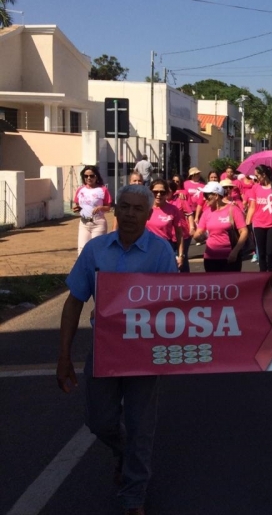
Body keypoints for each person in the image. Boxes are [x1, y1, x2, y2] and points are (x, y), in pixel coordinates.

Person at [57, 184, 178, 515]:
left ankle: (133, 495)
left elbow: (176, 304)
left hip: (145, 352)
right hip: (105, 350)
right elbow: (74, 301)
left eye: (138, 209)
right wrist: (64, 355)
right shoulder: (96, 250)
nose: (129, 214)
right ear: (114, 209)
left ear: (149, 215)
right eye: (124, 206)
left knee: (141, 426)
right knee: (100, 421)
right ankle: (122, 453)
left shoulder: (161, 252)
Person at [193, 181, 249, 272]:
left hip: (230, 257)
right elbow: (198, 233)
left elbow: (244, 232)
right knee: (213, 285)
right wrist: (198, 236)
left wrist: (235, 251)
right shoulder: (206, 212)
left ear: (216, 195)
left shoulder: (233, 209)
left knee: (230, 285)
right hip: (210, 258)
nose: (204, 199)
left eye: (207, 196)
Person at [246, 165, 272, 271]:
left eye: (257, 175)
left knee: (270, 252)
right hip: (258, 224)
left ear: (263, 175)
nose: (256, 178)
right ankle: (262, 274)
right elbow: (252, 207)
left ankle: (271, 273)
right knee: (262, 253)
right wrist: (247, 222)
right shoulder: (255, 188)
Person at [146, 179, 185, 271]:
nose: (158, 194)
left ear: (167, 193)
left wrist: (180, 255)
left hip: (166, 248)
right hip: (147, 249)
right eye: (155, 192)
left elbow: (179, 234)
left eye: (162, 192)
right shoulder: (145, 208)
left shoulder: (173, 209)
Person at [73, 165, 112, 255]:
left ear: (96, 176)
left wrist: (100, 208)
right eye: (86, 176)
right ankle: (83, 269)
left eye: (92, 176)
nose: (89, 178)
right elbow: (78, 204)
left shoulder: (102, 190)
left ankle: (97, 269)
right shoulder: (80, 190)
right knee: (82, 250)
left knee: (97, 250)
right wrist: (77, 208)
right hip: (83, 223)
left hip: (98, 223)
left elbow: (108, 207)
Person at [168, 180, 194, 273]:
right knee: (171, 259)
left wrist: (192, 227)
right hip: (168, 236)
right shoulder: (161, 202)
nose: (166, 192)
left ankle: (185, 279)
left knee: (182, 258)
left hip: (183, 234)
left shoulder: (180, 200)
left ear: (173, 191)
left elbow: (189, 214)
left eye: (169, 190)